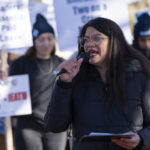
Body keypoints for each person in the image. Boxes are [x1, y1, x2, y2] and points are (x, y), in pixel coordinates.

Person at [44, 17, 150, 150]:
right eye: (85, 39)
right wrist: (64, 83)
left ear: (115, 41)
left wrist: (141, 140)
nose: (89, 44)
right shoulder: (75, 77)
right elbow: (54, 125)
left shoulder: (139, 75)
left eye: (97, 38)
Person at [9, 13, 67, 150]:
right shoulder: (20, 64)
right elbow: (10, 91)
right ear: (34, 41)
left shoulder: (62, 63)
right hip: (29, 125)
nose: (46, 43)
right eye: (41, 39)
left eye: (49, 38)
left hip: (55, 126)